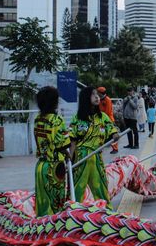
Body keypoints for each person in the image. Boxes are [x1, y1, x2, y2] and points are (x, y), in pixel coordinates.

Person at [69, 87, 119, 206]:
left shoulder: (103, 117)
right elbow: (72, 141)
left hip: (96, 157)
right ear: (86, 99)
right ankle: (75, 212)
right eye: (93, 95)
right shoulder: (77, 118)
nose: (97, 97)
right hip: (81, 159)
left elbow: (113, 131)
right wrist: (70, 160)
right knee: (78, 187)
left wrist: (115, 134)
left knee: (100, 186)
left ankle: (106, 212)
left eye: (97, 95)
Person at [33, 86, 71, 217]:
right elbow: (63, 144)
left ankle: (42, 231)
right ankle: (54, 232)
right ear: (54, 102)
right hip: (55, 167)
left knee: (43, 203)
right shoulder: (57, 120)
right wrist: (68, 154)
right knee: (57, 204)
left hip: (40, 166)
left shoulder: (38, 119)